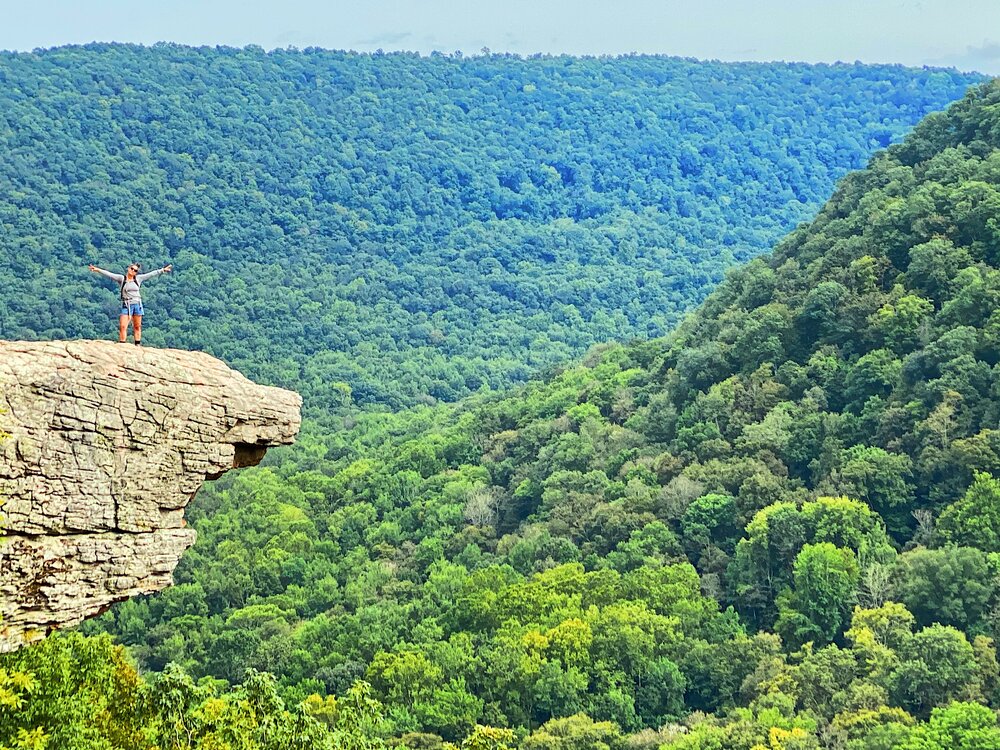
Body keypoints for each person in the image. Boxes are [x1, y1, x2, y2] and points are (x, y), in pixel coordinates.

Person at [88, 262, 172, 345]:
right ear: (128, 269)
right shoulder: (122, 279)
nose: (133, 271)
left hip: (137, 304)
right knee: (123, 326)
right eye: (132, 269)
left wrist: (163, 270)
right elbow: (110, 274)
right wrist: (98, 270)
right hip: (127, 304)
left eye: (135, 270)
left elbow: (150, 274)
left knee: (137, 326)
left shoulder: (138, 279)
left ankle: (137, 344)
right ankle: (122, 344)